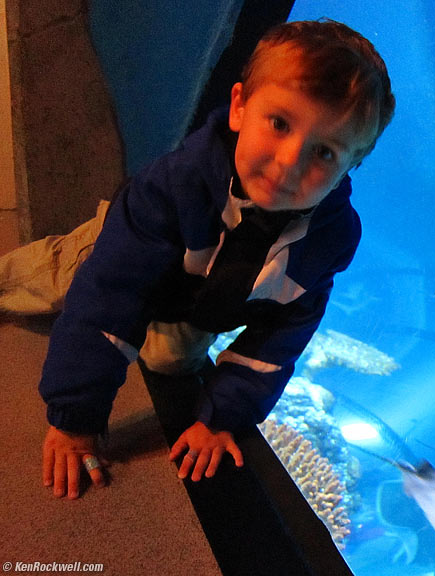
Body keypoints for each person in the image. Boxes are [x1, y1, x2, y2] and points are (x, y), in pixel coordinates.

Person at [4, 19, 395, 500]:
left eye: (325, 152)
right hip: (132, 246)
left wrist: (222, 417)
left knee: (170, 363)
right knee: (56, 280)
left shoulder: (329, 240)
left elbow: (279, 338)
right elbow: (107, 301)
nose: (290, 161)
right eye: (279, 123)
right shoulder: (173, 185)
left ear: (351, 166)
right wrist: (75, 420)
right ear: (238, 107)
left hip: (198, 295)